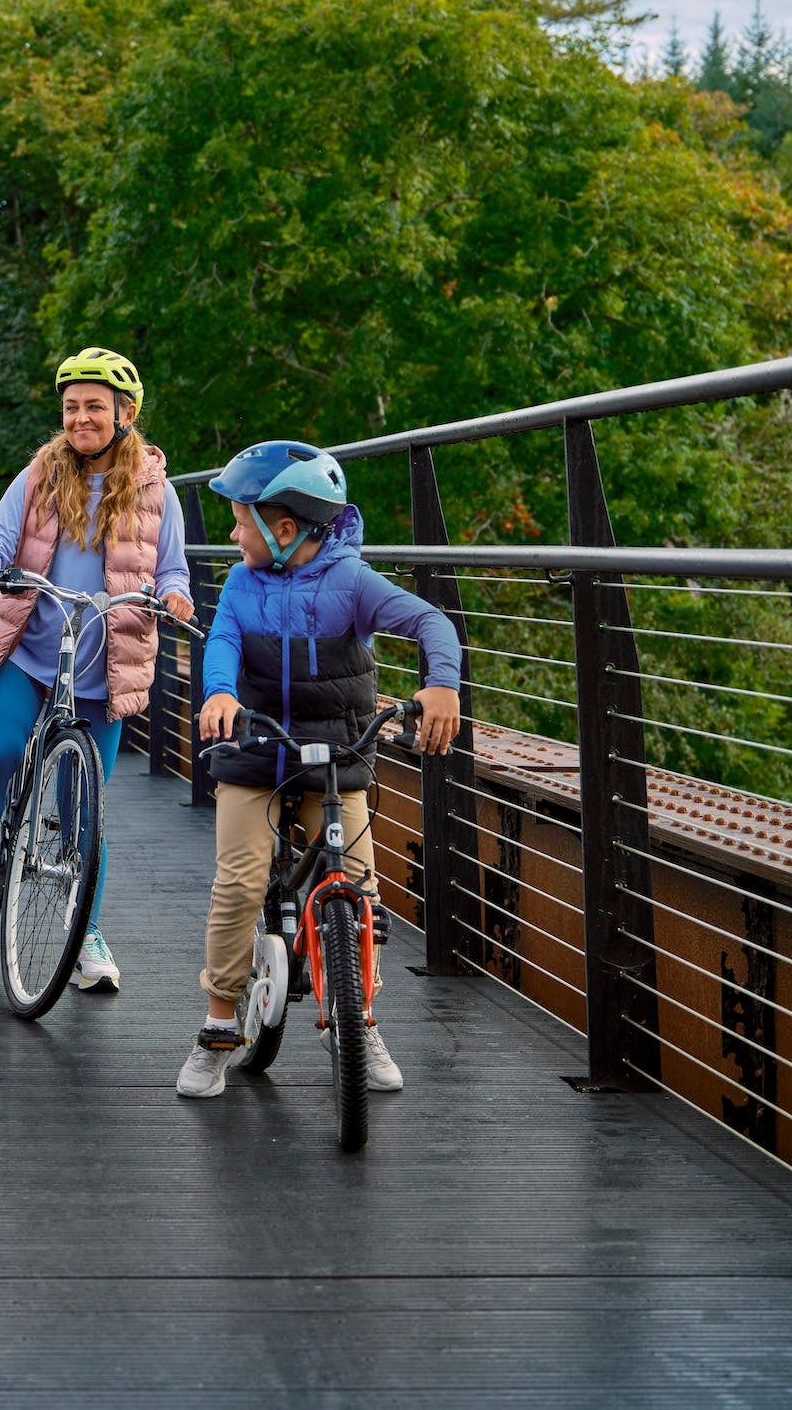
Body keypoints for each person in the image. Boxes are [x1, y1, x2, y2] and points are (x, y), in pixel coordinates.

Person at [175, 439, 462, 1098]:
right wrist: (219, 692)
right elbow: (220, 642)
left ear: (283, 530)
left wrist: (442, 683)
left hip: (337, 753)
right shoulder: (243, 583)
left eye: (240, 520)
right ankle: (219, 1025)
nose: (230, 531)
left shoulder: (353, 583)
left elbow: (430, 623)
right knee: (242, 880)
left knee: (357, 887)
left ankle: (357, 1020)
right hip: (257, 748)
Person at [0, 348, 195, 993]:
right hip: (29, 647)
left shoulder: (157, 490)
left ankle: (85, 929)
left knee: (86, 810)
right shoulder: (41, 475)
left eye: (94, 408)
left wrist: (177, 594)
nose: (80, 418)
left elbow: (172, 567)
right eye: (71, 407)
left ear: (124, 415)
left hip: (104, 665)